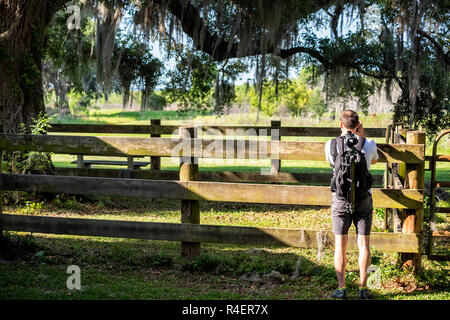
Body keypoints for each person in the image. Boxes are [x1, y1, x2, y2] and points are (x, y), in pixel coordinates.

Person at [325, 110, 379, 299]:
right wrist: (361, 136)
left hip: (340, 201)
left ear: (341, 125)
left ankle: (341, 289)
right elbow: (373, 159)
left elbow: (332, 163)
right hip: (364, 200)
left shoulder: (330, 145)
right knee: (364, 245)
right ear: (358, 125)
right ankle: (363, 289)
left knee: (340, 246)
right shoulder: (370, 144)